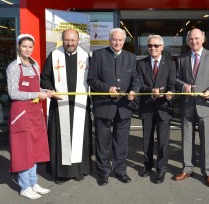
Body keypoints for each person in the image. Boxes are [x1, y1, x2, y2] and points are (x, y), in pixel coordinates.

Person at [87, 28, 140, 186]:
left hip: (124, 106)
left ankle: (120, 170)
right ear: (109, 40)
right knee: (102, 141)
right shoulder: (98, 55)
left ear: (124, 41)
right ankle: (103, 172)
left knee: (121, 141)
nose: (117, 43)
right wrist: (106, 89)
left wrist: (134, 90)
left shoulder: (131, 57)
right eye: (114, 40)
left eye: (120, 40)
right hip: (104, 105)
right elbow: (92, 79)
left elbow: (136, 78)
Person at [40, 28, 92, 184]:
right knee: (60, 138)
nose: (70, 43)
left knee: (79, 137)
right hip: (59, 103)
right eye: (67, 40)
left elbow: (94, 78)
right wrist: (52, 90)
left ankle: (78, 170)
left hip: (80, 105)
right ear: (63, 40)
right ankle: (60, 173)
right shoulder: (55, 55)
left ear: (78, 41)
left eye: (73, 40)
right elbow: (44, 78)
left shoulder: (86, 57)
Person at [6, 34, 51, 200]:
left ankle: (33, 182)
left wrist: (44, 91)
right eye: (24, 46)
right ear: (18, 46)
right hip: (21, 113)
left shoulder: (34, 65)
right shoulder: (13, 67)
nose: (27, 49)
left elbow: (36, 86)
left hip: (34, 111)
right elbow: (13, 93)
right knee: (23, 149)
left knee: (35, 147)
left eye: (30, 47)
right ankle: (24, 186)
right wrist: (36, 93)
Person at [175, 28, 209, 187]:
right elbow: (176, 79)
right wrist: (183, 86)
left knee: (207, 140)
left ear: (203, 38)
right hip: (187, 105)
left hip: (206, 105)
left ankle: (208, 171)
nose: (194, 41)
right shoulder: (181, 58)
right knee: (187, 139)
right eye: (191, 39)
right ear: (188, 41)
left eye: (197, 38)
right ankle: (187, 168)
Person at [136, 35, 176, 184]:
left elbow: (172, 85)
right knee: (147, 140)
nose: (153, 48)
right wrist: (151, 90)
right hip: (147, 107)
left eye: (156, 46)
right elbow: (138, 85)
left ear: (162, 47)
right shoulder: (140, 64)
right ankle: (147, 166)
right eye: (150, 45)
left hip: (163, 108)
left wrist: (171, 94)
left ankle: (161, 169)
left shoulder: (170, 64)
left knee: (163, 141)